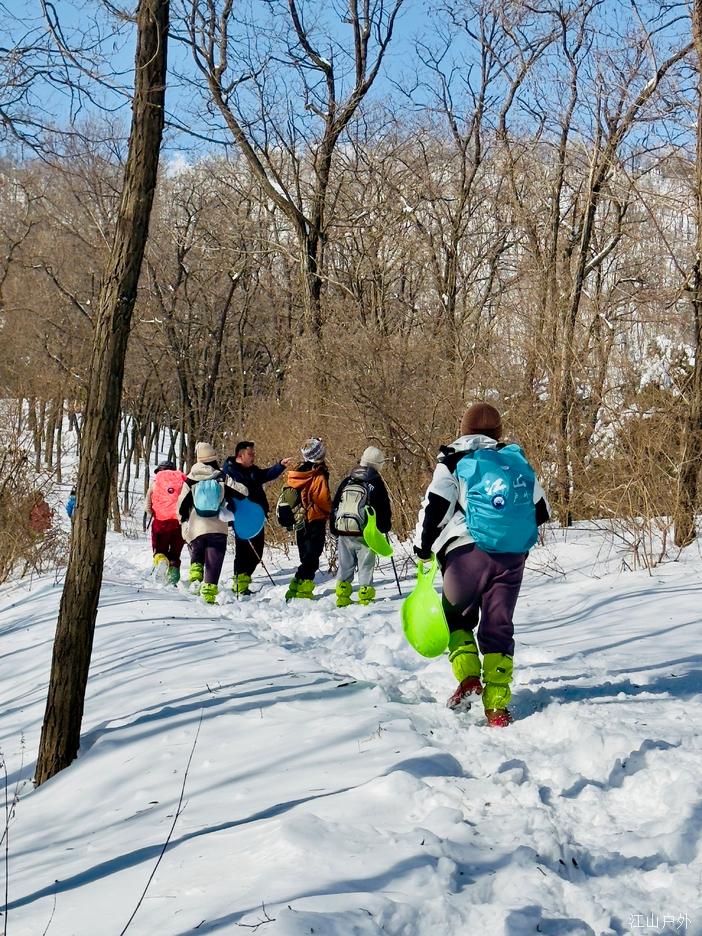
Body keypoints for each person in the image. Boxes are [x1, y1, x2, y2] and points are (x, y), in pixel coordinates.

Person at [413, 403, 550, 727]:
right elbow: (541, 510)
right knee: (498, 627)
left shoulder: (453, 461)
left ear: (464, 431)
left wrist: (423, 548)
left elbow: (436, 507)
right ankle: (498, 708)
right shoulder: (514, 461)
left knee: (455, 617)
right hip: (512, 557)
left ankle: (469, 678)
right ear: (498, 433)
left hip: (465, 553)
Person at [177, 442, 248, 604]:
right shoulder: (221, 476)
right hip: (218, 526)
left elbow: (181, 505)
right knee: (214, 560)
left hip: (197, 526)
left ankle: (196, 575)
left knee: (197, 552)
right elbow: (243, 492)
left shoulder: (190, 479)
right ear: (214, 458)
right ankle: (208, 594)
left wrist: (183, 522)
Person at [223, 441, 291, 595]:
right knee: (243, 551)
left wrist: (280, 465)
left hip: (257, 517)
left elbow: (266, 475)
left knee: (257, 553)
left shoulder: (253, 470)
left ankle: (244, 578)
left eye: (253, 453)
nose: (253, 456)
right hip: (241, 518)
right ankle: (240, 584)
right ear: (240, 455)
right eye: (250, 454)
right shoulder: (230, 471)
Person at [331, 446, 391, 607]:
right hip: (365, 532)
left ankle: (342, 596)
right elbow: (384, 508)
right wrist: (384, 527)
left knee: (345, 565)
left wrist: (334, 528)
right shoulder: (376, 482)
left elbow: (335, 505)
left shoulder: (348, 480)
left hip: (344, 530)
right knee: (365, 566)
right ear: (378, 464)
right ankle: (365, 597)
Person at [283, 438, 332, 600]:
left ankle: (295, 588)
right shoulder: (318, 474)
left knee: (306, 556)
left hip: (299, 520)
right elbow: (322, 499)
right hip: (315, 519)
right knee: (312, 557)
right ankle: (303, 590)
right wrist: (332, 511)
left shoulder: (296, 474)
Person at [143, 461, 187, 586]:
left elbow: (147, 506)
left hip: (160, 523)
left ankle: (161, 560)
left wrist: (154, 514)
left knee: (159, 549)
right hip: (178, 523)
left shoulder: (155, 483)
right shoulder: (182, 482)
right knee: (175, 553)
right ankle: (173, 579)